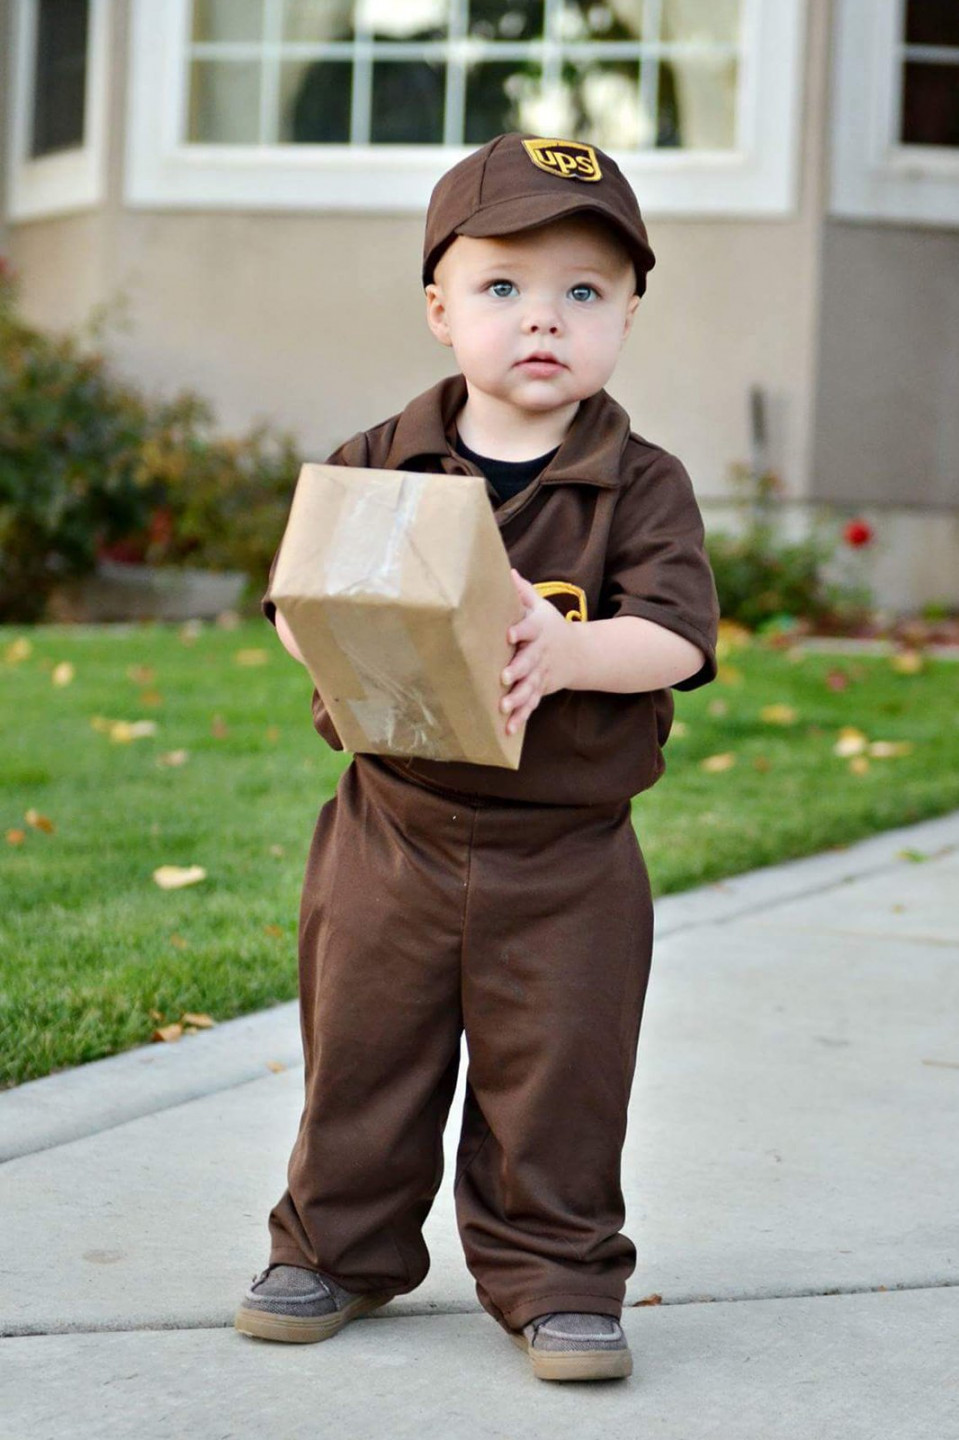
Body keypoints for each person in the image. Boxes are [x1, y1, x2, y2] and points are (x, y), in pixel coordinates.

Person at [235, 132, 719, 1382]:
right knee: (363, 1051)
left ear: (625, 317)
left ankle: (555, 1275)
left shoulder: (638, 486)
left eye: (582, 293)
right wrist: (330, 644)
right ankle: (333, 1247)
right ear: (440, 306)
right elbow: (299, 599)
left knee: (557, 1074)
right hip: (391, 827)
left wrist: (563, 655)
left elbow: (670, 637)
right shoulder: (380, 461)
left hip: (565, 849)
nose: (540, 319)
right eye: (501, 287)